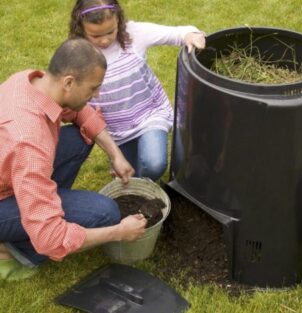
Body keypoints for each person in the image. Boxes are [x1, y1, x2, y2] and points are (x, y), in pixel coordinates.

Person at [0, 38, 147, 281]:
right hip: (6, 194)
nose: (97, 94)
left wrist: (116, 155)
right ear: (69, 82)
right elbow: (50, 238)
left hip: (11, 171)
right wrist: (119, 232)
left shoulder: (31, 81)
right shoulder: (30, 141)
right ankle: (12, 250)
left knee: (80, 139)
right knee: (104, 213)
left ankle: (42, 202)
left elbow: (80, 112)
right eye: (93, 88)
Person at [69, 0, 206, 181]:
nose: (105, 40)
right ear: (81, 29)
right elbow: (73, 92)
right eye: (95, 36)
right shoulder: (77, 51)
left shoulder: (133, 34)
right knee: (128, 172)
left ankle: (142, 187)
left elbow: (176, 33)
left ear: (119, 21)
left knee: (153, 164)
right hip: (115, 128)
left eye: (110, 31)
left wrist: (190, 35)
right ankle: (134, 185)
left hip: (148, 115)